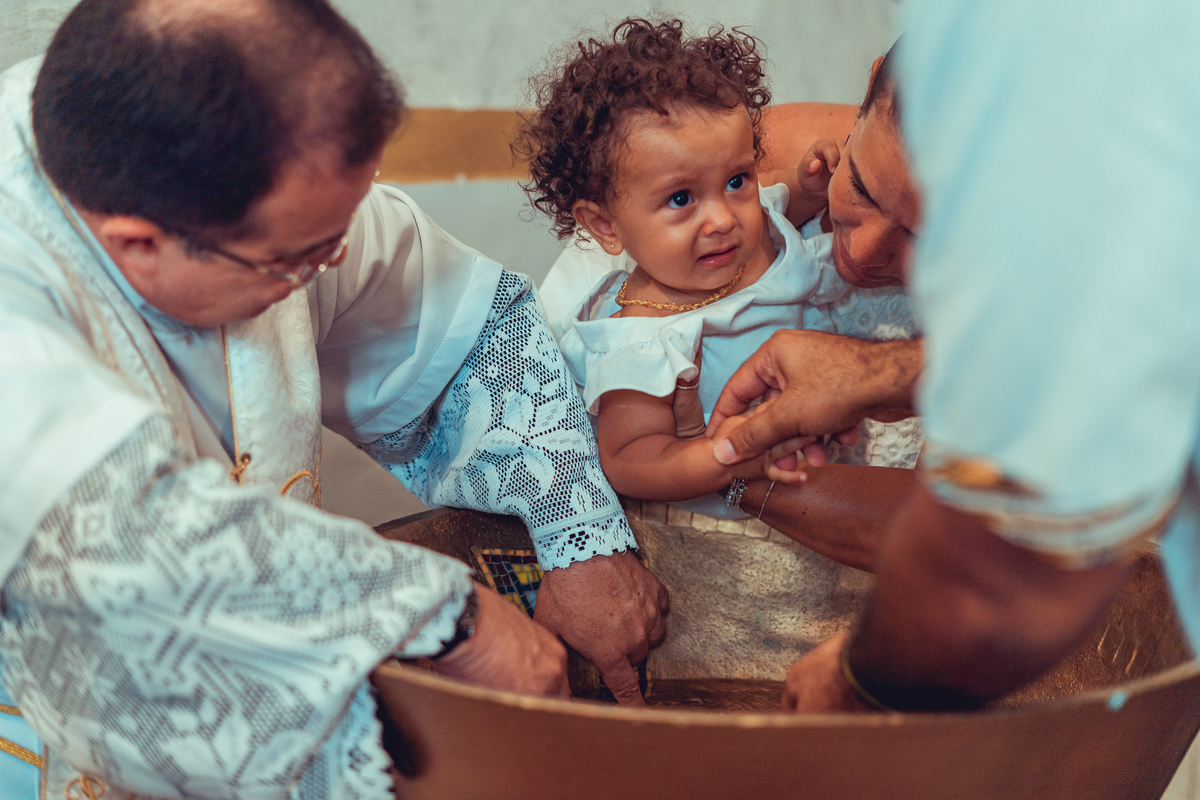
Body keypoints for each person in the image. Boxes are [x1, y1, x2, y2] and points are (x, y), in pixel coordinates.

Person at [0, 1, 666, 797]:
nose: (336, 263)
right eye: (304, 258)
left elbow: (471, 340)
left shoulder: (255, 161)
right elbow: (122, 535)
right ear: (137, 243)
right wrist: (450, 619)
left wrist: (577, 536)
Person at [712, 0, 1200, 713]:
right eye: (864, 189)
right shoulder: (769, 159)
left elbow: (990, 574)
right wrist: (881, 374)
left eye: (932, 240)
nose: (867, 251)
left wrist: (713, 470)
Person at [539, 41, 925, 562]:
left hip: (837, 472)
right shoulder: (640, 337)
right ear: (605, 225)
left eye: (737, 179)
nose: (722, 217)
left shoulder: (753, 228)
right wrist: (723, 457)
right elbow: (629, 458)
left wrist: (811, 187)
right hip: (746, 536)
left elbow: (779, 199)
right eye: (681, 199)